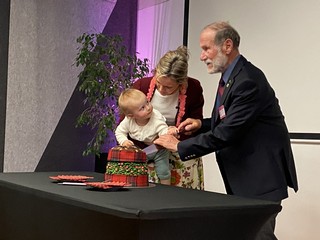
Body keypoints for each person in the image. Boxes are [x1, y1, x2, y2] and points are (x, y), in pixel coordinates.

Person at [154, 21, 298, 239]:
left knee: (259, 236)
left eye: (206, 48)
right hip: (247, 178)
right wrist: (200, 124)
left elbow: (227, 132)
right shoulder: (232, 76)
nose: (202, 56)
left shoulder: (247, 81)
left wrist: (179, 146)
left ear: (227, 45)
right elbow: (230, 118)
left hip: (260, 180)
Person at [133, 45, 205, 190]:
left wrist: (194, 125)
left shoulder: (193, 87)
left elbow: (196, 119)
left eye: (168, 87)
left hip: (179, 153)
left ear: (182, 82)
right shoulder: (141, 86)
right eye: (159, 83)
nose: (162, 90)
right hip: (146, 150)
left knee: (181, 202)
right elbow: (126, 120)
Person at [115, 88, 177, 185]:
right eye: (142, 108)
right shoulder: (128, 121)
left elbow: (162, 131)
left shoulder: (156, 117)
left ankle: (166, 188)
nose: (148, 108)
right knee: (135, 165)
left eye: (147, 102)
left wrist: (169, 132)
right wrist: (124, 141)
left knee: (163, 170)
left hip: (159, 149)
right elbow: (119, 132)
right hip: (142, 150)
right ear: (131, 115)